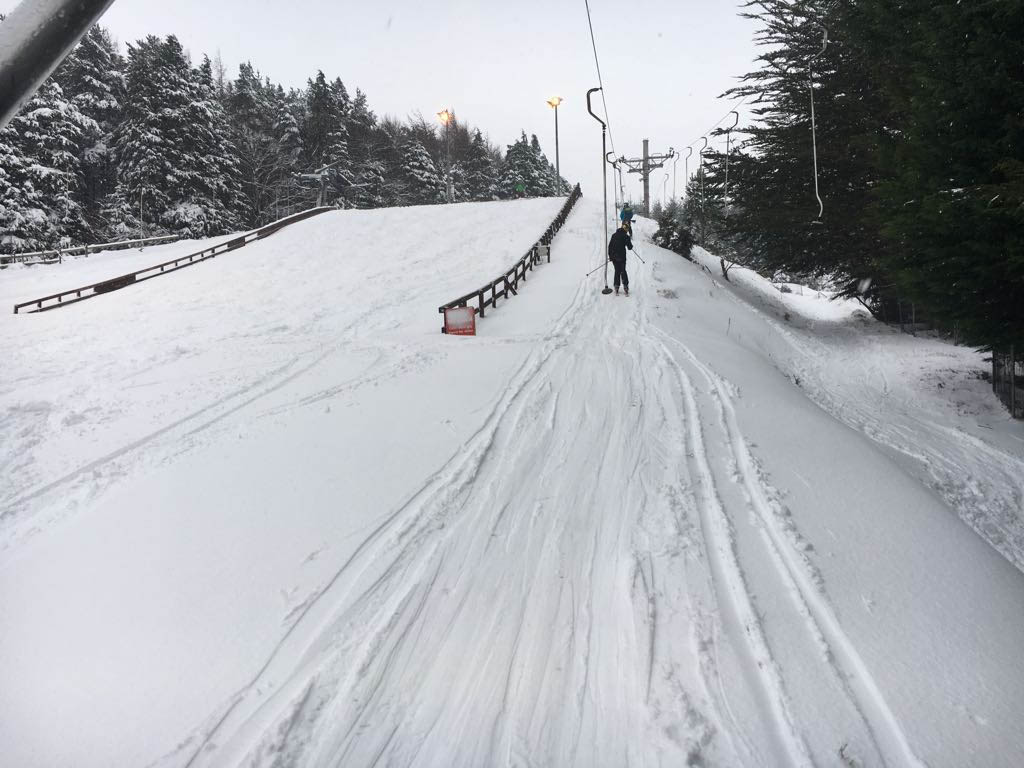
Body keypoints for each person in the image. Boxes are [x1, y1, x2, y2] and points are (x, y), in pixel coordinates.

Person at [608, 222, 634, 296]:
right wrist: (630, 245)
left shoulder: (614, 235)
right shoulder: (626, 236)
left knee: (617, 270)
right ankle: (625, 286)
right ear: (626, 229)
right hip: (622, 257)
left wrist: (610, 256)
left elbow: (609, 246)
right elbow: (629, 247)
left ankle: (616, 286)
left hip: (614, 257)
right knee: (623, 270)